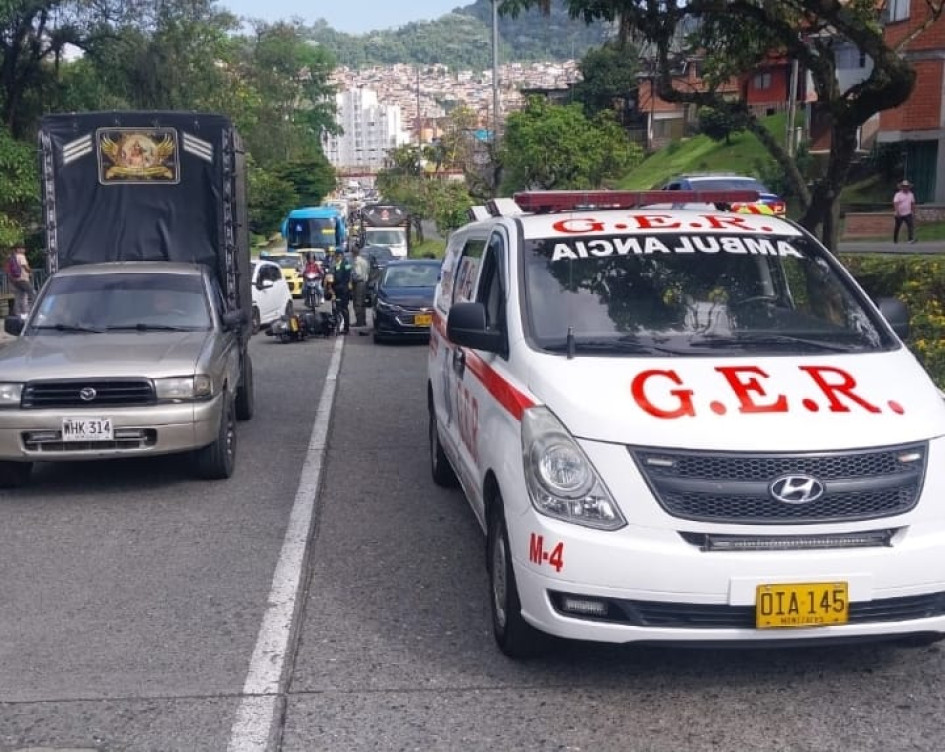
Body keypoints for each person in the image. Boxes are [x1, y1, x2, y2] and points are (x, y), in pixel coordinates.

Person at [329, 248, 352, 334]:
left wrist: (333, 280)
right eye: (336, 256)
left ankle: (345, 328)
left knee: (343, 309)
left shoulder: (346, 264)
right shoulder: (337, 264)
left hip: (343, 290)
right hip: (337, 290)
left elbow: (345, 276)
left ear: (341, 256)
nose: (336, 257)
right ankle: (338, 326)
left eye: (337, 256)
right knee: (336, 308)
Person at [6, 246, 34, 316]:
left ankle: (18, 313)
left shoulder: (12, 257)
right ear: (18, 249)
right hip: (23, 279)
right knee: (32, 293)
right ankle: (34, 311)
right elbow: (25, 267)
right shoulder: (21, 256)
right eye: (23, 248)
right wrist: (30, 271)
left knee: (19, 296)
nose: (24, 250)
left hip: (15, 280)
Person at [350, 246, 371, 327]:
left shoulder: (356, 261)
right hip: (364, 282)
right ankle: (363, 320)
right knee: (362, 302)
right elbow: (368, 271)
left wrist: (352, 279)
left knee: (357, 303)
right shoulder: (364, 261)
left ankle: (359, 321)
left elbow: (357, 273)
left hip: (358, 283)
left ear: (353, 253)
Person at [893, 179, 917, 244]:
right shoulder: (898, 194)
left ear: (908, 187)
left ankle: (910, 239)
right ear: (902, 187)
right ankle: (895, 240)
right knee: (897, 227)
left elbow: (912, 203)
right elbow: (896, 203)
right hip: (899, 213)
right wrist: (897, 211)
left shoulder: (911, 194)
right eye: (904, 186)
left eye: (906, 186)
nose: (905, 187)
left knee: (910, 225)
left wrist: (913, 212)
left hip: (908, 213)